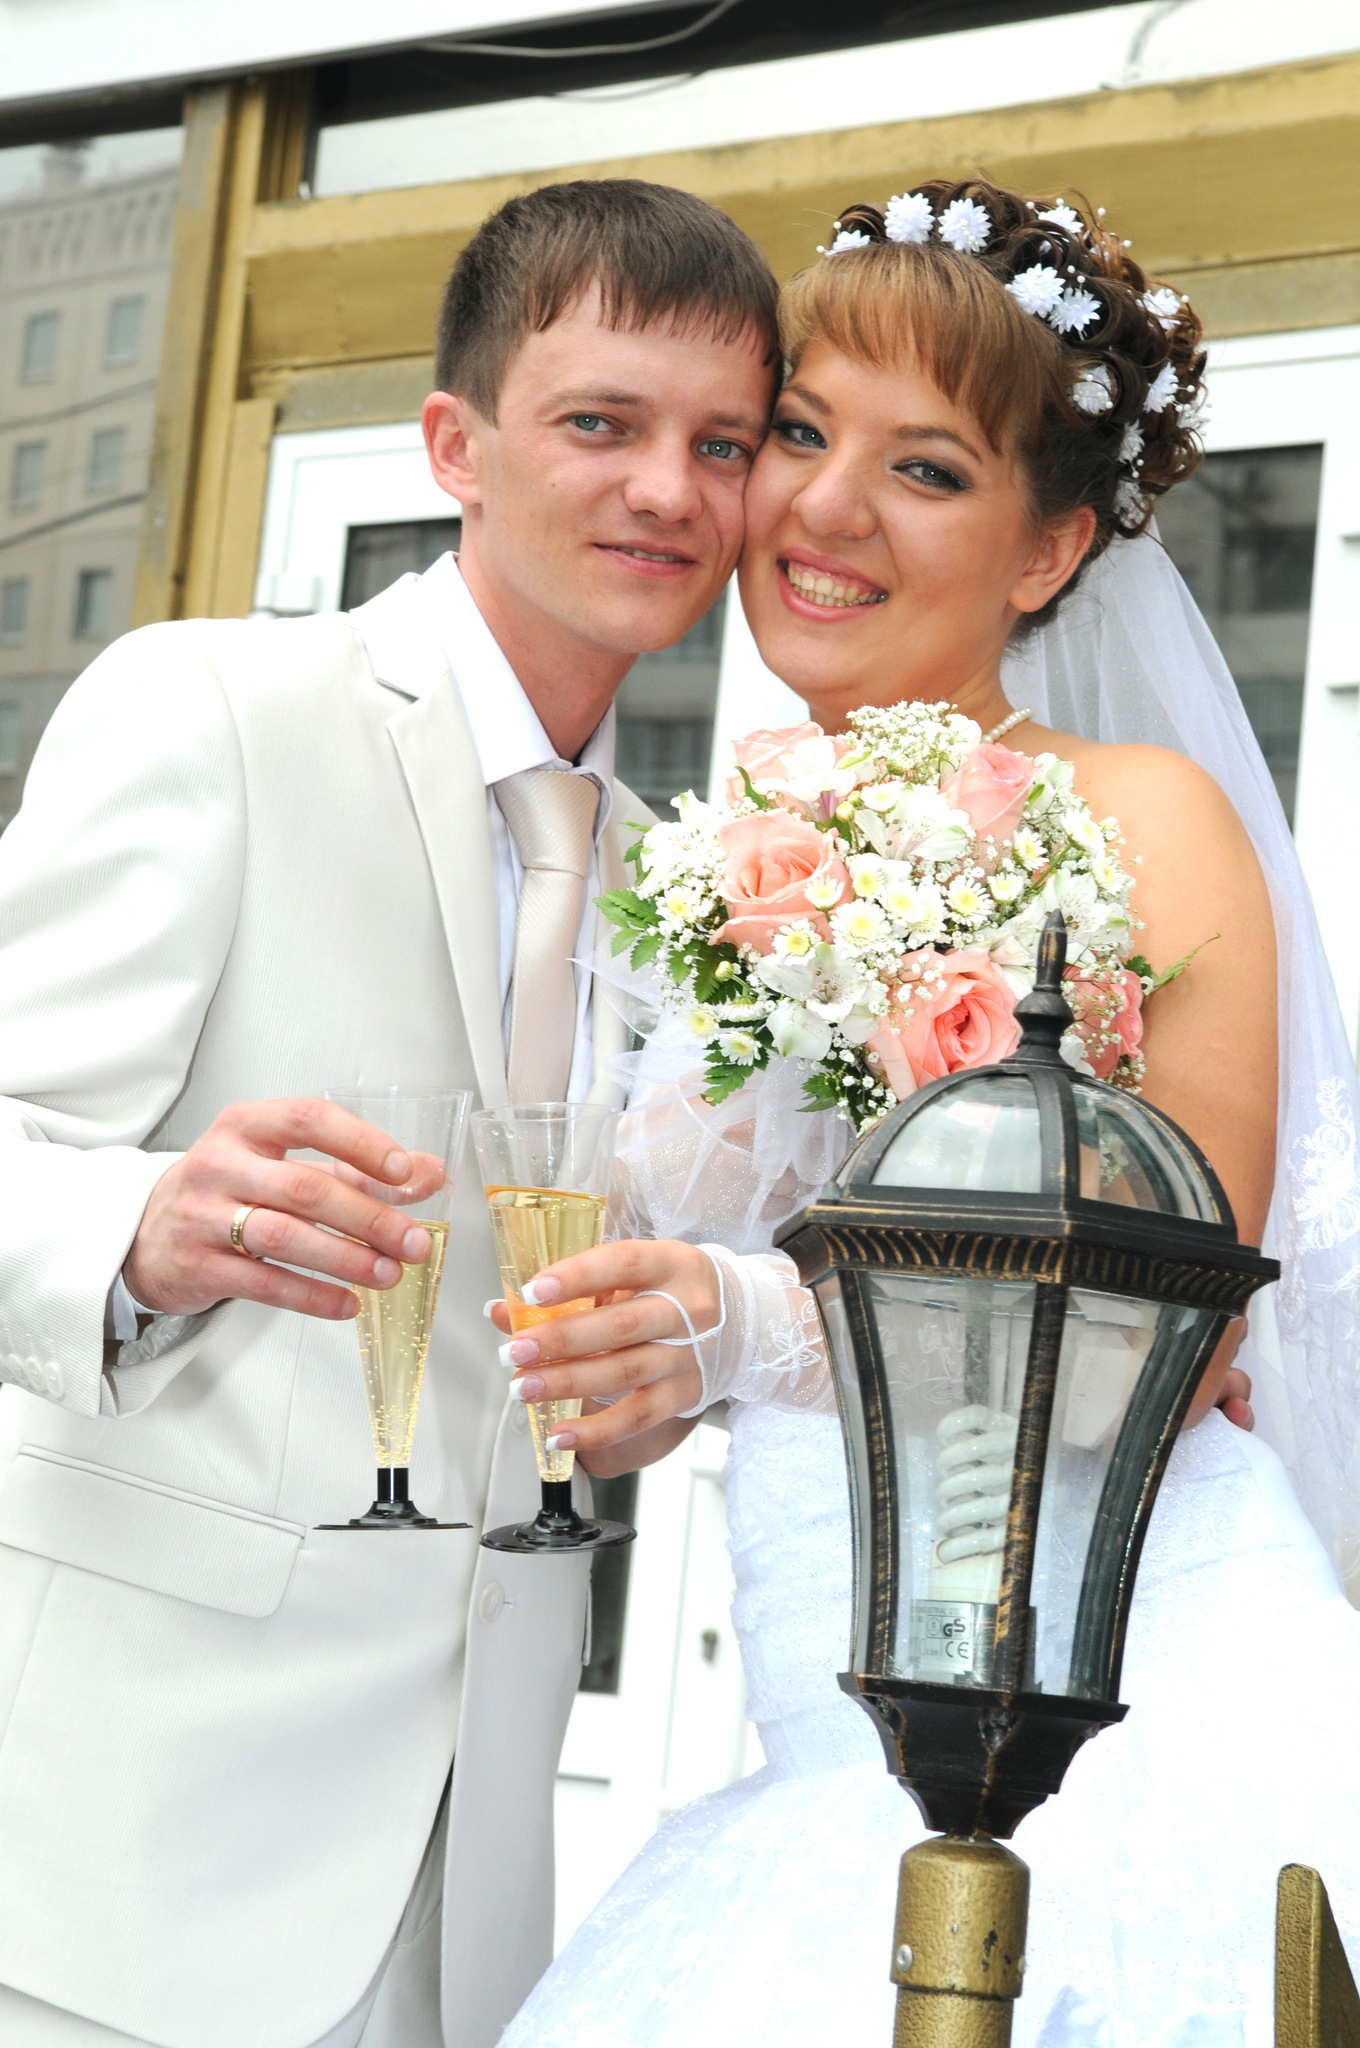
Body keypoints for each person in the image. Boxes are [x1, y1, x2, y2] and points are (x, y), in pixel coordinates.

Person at [491, 181, 1360, 2046]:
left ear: (1048, 549)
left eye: (927, 470)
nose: (825, 507)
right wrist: (644, 1363)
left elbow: (1180, 1309)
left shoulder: (1139, 817)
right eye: (802, 435)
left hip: (1118, 1688)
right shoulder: (707, 848)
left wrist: (737, 1325)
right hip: (828, 1691)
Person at [0, 179, 779, 2048]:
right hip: (119, 1862)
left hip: (473, 1892)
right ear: (456, 445)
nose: (667, 491)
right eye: (601, 423)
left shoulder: (681, 884)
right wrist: (137, 1229)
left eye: (723, 443)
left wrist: (666, 1373)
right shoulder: (214, 706)